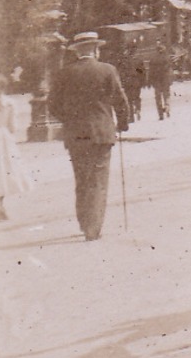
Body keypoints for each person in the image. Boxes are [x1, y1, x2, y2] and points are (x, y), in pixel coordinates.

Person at [49, 32, 132, 241]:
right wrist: (122, 123)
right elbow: (120, 100)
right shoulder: (107, 70)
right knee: (98, 179)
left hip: (76, 134)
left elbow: (53, 105)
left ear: (77, 51)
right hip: (102, 133)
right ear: (96, 49)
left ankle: (84, 222)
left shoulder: (64, 73)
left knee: (82, 178)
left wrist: (69, 120)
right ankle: (93, 228)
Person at [0, 75, 32, 221]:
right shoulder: (10, 103)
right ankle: (0, 206)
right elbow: (13, 127)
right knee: (4, 171)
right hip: (3, 138)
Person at [148, 43, 174, 120]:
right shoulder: (167, 58)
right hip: (165, 80)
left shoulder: (153, 59)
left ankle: (160, 114)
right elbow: (170, 70)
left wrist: (150, 81)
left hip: (156, 81)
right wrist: (171, 80)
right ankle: (167, 107)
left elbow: (151, 71)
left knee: (158, 97)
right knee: (166, 95)